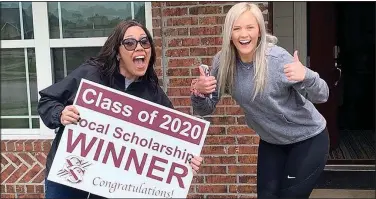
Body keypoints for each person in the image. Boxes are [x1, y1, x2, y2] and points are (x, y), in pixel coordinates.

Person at [38, 20, 203, 199]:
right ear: (117, 52)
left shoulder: (153, 93)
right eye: (130, 43)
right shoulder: (91, 74)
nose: (139, 47)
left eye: (145, 42)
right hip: (68, 176)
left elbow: (175, 141)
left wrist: (187, 160)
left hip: (110, 184)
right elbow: (48, 100)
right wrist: (60, 113)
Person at [190, 2, 329, 199]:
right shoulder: (223, 62)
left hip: (307, 139)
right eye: (236, 28)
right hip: (272, 142)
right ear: (229, 33)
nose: (243, 34)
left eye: (250, 27)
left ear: (259, 31)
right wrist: (200, 93)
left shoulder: (277, 59)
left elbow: (322, 95)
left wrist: (307, 75)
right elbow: (205, 109)